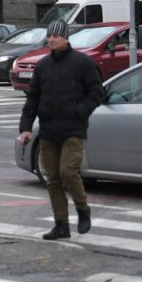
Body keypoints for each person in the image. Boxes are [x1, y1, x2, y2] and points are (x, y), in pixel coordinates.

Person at [18, 19, 104, 241]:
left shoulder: (82, 63)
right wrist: (26, 128)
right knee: (53, 179)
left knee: (68, 172)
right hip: (48, 131)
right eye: (49, 35)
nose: (52, 39)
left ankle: (83, 209)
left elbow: (97, 93)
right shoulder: (43, 65)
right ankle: (61, 224)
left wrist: (80, 111)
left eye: (56, 35)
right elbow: (33, 99)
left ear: (66, 38)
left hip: (73, 129)